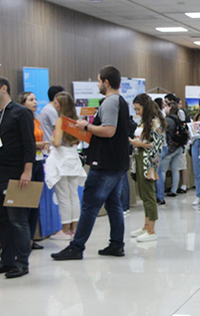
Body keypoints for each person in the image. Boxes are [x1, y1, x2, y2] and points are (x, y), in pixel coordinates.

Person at [51, 65, 130, 260]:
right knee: (113, 204)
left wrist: (86, 126)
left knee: (89, 205)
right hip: (116, 162)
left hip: (105, 163)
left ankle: (76, 247)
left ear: (106, 82)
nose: (97, 84)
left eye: (98, 81)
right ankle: (116, 244)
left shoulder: (110, 102)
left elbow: (109, 130)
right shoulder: (119, 101)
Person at [0, 76, 36, 279]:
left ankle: (22, 262)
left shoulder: (21, 113)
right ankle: (7, 260)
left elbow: (29, 144)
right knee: (1, 219)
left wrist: (27, 171)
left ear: (4, 88)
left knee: (17, 220)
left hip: (16, 174)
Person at [45, 92, 86, 240]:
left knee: (63, 196)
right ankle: (74, 227)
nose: (54, 105)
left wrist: (51, 137)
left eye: (56, 103)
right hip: (73, 159)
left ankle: (65, 228)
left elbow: (56, 142)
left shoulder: (60, 121)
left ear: (60, 105)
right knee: (73, 195)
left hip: (61, 160)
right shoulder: (76, 121)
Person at [129, 94, 166, 242]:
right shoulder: (144, 122)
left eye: (138, 109)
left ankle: (151, 230)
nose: (137, 112)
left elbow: (156, 146)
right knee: (143, 194)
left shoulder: (155, 122)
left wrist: (139, 144)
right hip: (139, 159)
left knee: (149, 195)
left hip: (148, 161)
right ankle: (146, 225)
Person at [17, 91, 49, 250]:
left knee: (35, 201)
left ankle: (30, 238)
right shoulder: (21, 119)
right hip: (27, 163)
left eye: (36, 99)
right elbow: (24, 142)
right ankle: (23, 240)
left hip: (38, 161)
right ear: (22, 103)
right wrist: (39, 145)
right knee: (26, 203)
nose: (35, 102)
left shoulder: (35, 120)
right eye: (30, 100)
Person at [160, 102, 184, 197]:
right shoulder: (178, 119)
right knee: (175, 170)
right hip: (178, 147)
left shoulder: (167, 120)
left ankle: (160, 191)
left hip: (170, 148)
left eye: (166, 107)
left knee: (162, 170)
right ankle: (174, 190)